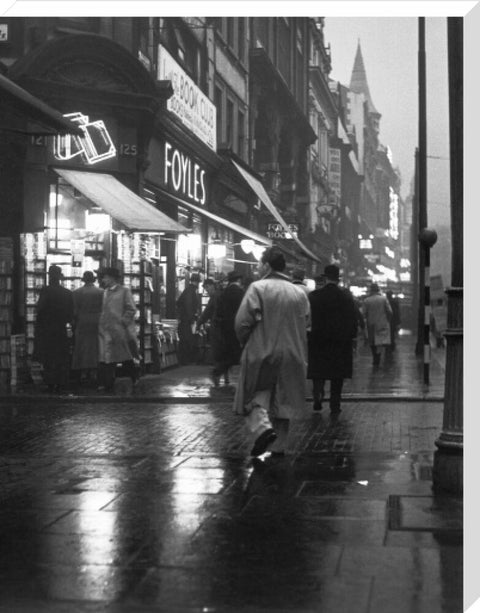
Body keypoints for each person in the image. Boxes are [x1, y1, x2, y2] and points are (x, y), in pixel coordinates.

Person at [234, 247, 310, 457]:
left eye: (259, 264)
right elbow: (307, 323)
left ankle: (263, 431)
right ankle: (279, 446)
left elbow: (242, 323)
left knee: (253, 394)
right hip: (293, 353)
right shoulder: (299, 292)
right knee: (283, 401)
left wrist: (245, 341)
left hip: (262, 351)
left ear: (267, 266)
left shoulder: (258, 288)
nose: (257, 268)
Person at [307, 264, 357, 414]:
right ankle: (335, 404)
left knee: (319, 372)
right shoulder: (346, 296)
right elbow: (352, 319)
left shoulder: (314, 296)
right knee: (337, 375)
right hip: (340, 341)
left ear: (325, 277)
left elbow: (308, 318)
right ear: (338, 278)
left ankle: (318, 396)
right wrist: (352, 336)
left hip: (318, 339)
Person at [33, 264, 74, 393]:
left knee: (49, 357)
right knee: (61, 357)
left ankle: (50, 383)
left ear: (49, 276)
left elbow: (40, 309)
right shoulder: (67, 293)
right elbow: (70, 313)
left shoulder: (46, 290)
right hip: (60, 329)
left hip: (47, 330)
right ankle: (61, 382)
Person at [98, 267, 139, 392]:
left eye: (105, 277)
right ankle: (107, 383)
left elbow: (131, 308)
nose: (103, 279)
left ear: (111, 278)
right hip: (106, 330)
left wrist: (123, 322)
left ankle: (133, 378)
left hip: (120, 331)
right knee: (107, 358)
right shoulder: (104, 292)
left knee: (125, 357)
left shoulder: (124, 291)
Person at [71, 271, 103, 386]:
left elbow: (74, 311)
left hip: (82, 321)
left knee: (82, 347)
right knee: (95, 347)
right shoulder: (101, 292)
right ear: (94, 280)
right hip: (97, 322)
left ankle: (83, 372)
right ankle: (94, 371)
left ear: (83, 280)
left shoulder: (76, 293)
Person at [214, 270, 245, 387]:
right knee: (235, 353)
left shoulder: (224, 292)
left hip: (225, 327)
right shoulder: (241, 293)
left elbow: (219, 311)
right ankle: (218, 372)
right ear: (239, 280)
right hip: (237, 326)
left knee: (228, 351)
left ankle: (221, 374)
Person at [363, 283, 392, 366]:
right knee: (379, 343)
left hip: (371, 325)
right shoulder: (384, 299)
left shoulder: (367, 300)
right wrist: (387, 320)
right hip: (382, 324)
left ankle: (375, 357)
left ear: (371, 290)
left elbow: (363, 313)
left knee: (372, 343)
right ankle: (378, 357)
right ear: (378, 290)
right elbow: (390, 311)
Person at [176, 272, 201, 365]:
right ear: (197, 282)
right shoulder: (191, 291)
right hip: (187, 320)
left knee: (185, 339)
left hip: (185, 319)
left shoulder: (188, 290)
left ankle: (185, 359)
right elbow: (188, 305)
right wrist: (192, 319)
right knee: (187, 339)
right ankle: (186, 360)